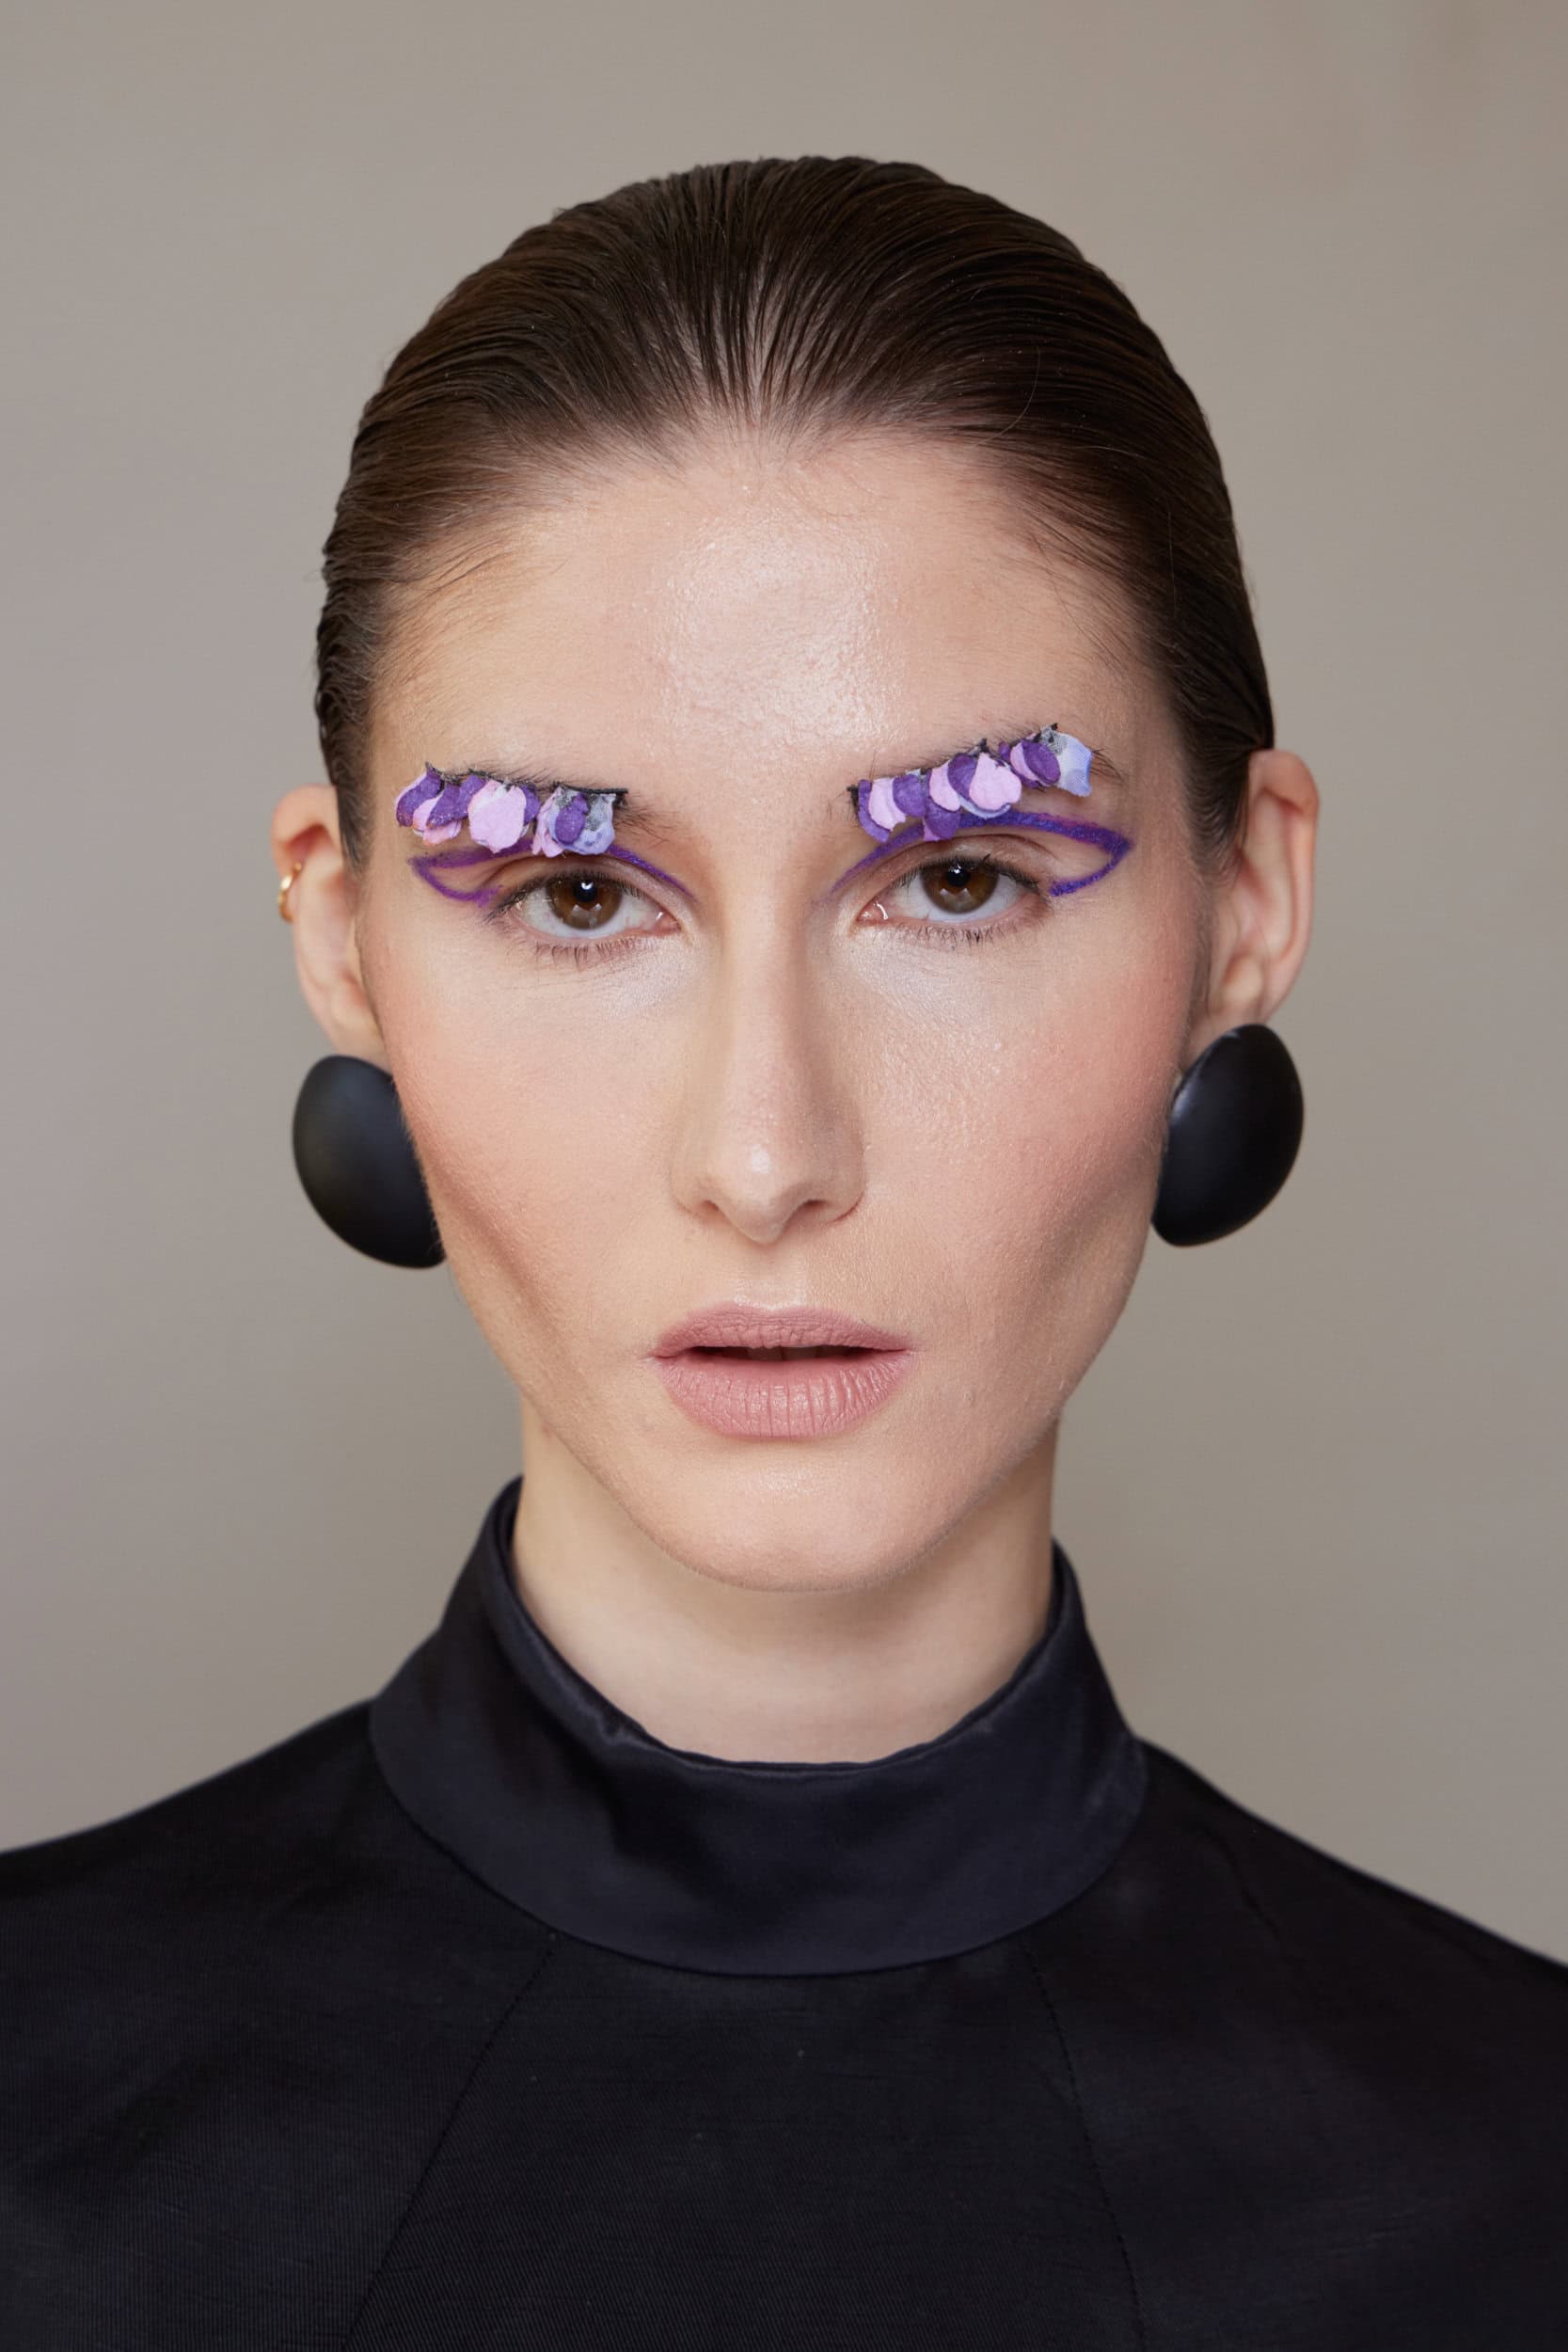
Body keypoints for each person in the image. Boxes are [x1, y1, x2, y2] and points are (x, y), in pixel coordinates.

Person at [3, 154, 1564, 2349]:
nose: (764, 1154)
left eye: (959, 881)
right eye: (576, 895)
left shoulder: (1522, 2183)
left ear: (1248, 901)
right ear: (342, 937)